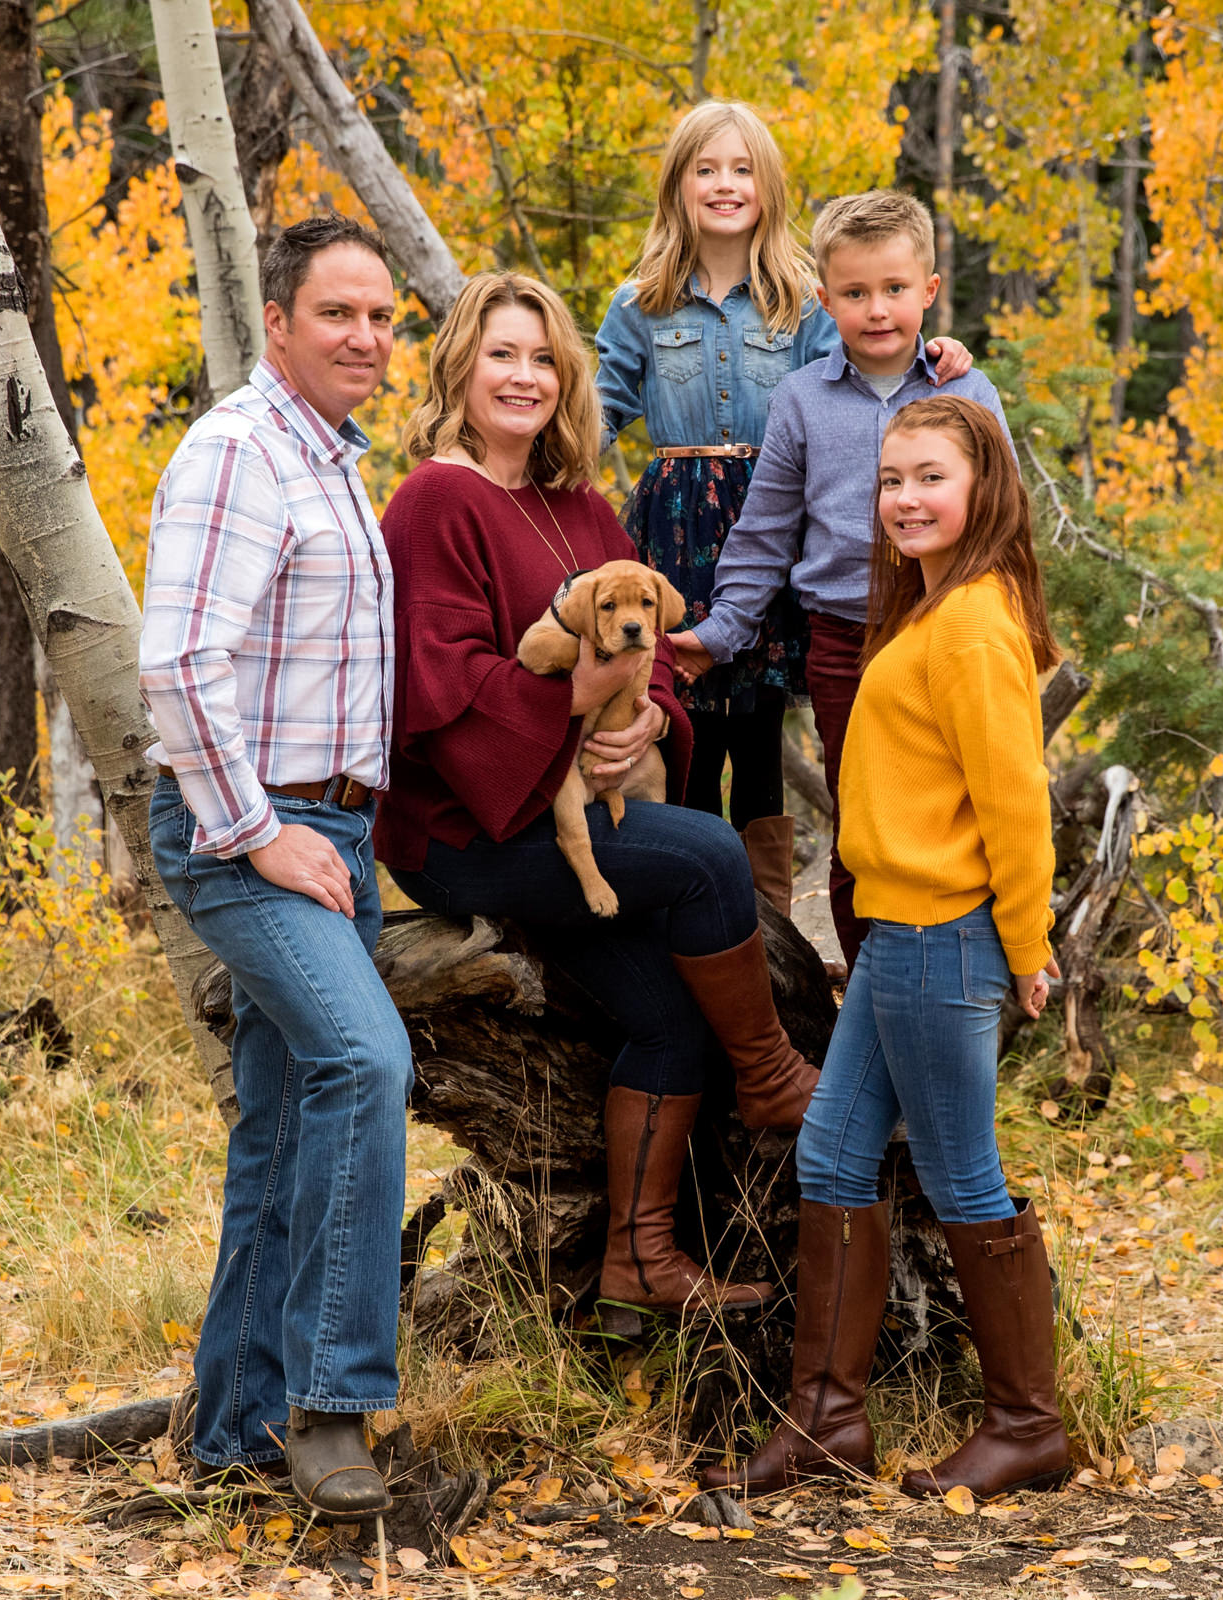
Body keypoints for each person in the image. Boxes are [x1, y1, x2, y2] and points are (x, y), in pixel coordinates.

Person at [375, 273, 818, 1333]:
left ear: (568, 379)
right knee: (711, 856)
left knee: (667, 1016)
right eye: (502, 355)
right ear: (460, 371)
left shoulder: (579, 506)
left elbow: (649, 645)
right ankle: (775, 1082)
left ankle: (636, 1266)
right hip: (470, 827)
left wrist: (652, 725)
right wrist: (575, 700)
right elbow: (436, 685)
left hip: (580, 810)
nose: (523, 377)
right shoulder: (436, 500)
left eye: (543, 359)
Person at [703, 396, 1069, 1499]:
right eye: (891, 479)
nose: (906, 498)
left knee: (964, 1177)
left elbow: (1016, 797)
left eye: (931, 478)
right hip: (898, 934)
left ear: (984, 485)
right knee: (831, 1155)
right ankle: (826, 1422)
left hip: (941, 935)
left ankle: (1027, 1424)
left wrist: (1028, 941)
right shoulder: (933, 603)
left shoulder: (970, 621)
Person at [138, 214, 409, 1521]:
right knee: (366, 1064)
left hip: (328, 834)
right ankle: (335, 1406)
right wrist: (259, 829)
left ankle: (231, 1437)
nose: (365, 338)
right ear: (280, 325)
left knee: (288, 1125)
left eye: (383, 318)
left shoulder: (332, 462)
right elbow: (180, 664)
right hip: (245, 835)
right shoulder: (240, 452)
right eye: (340, 314)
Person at [596, 106, 973, 917]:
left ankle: (769, 922)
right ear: (678, 185)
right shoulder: (641, 302)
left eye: (741, 169)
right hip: (677, 532)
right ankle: (691, 898)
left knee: (758, 724)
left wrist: (938, 352)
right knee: (680, 710)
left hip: (774, 522)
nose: (725, 185)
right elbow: (596, 411)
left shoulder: (806, 304)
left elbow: (863, 378)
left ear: (767, 187)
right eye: (706, 169)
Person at [666, 189, 1009, 976]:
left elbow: (1003, 526)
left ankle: (964, 978)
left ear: (929, 290)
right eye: (855, 293)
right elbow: (765, 532)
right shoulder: (802, 401)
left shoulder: (968, 393)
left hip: (953, 633)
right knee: (863, 827)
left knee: (959, 814)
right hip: (845, 643)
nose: (877, 309)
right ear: (825, 300)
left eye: (895, 289)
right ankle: (871, 993)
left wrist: (1013, 632)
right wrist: (719, 633)